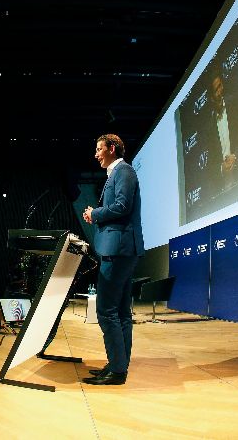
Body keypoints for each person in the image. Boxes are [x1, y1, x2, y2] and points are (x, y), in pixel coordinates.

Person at [81, 134, 144, 385]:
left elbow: (121, 206)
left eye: (99, 149)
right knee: (120, 312)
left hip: (118, 250)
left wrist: (94, 214)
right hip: (122, 250)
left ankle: (117, 371)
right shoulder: (116, 174)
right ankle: (118, 365)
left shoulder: (123, 171)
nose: (96, 154)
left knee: (106, 310)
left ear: (112, 148)